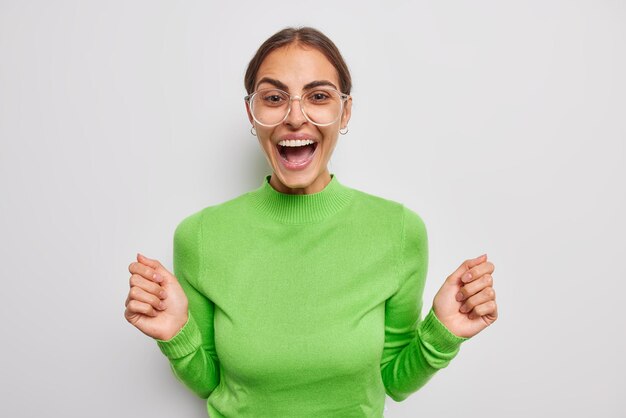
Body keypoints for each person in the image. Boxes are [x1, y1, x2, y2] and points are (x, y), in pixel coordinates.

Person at [124, 26, 497, 417]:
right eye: (274, 98)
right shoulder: (200, 236)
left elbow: (392, 382)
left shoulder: (398, 231)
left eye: (318, 96)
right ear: (252, 113)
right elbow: (212, 382)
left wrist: (443, 333)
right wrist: (175, 336)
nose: (295, 117)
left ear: (345, 111)